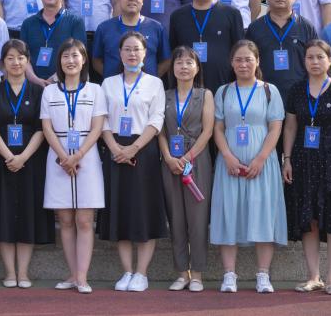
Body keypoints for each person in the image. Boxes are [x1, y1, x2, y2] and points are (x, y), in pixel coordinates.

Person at [281, 40, 331, 295]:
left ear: (330, 60)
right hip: (303, 162)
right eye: (310, 57)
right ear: (304, 61)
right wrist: (287, 159)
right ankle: (313, 276)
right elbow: (290, 127)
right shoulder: (296, 90)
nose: (315, 62)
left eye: (320, 57)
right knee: (310, 220)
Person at [210, 40, 287, 294]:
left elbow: (275, 127)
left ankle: (263, 275)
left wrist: (261, 158)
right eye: (238, 60)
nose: (243, 64)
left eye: (248, 59)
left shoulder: (269, 90)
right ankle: (229, 275)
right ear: (231, 63)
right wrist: (227, 156)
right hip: (229, 164)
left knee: (263, 214)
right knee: (229, 214)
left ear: (257, 61)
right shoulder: (223, 91)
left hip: (262, 163)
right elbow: (218, 127)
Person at [99, 32, 168, 292]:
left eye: (136, 49)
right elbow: (102, 118)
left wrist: (134, 148)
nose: (132, 54)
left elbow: (156, 119)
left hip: (144, 150)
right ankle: (127, 271)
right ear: (119, 54)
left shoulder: (154, 83)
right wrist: (115, 147)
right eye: (127, 49)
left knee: (143, 210)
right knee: (121, 211)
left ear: (145, 53)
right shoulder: (108, 84)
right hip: (114, 149)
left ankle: (142, 273)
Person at [40, 39, 107, 294]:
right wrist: (63, 157)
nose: (70, 61)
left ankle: (82, 276)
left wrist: (77, 155)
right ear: (59, 61)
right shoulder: (49, 92)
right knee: (66, 219)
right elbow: (47, 127)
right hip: (57, 157)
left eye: (75, 56)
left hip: (86, 156)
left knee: (85, 220)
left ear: (84, 59)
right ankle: (72, 273)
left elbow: (98, 127)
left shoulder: (95, 90)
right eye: (66, 56)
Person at [0, 40, 52, 288]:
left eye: (21, 58)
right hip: (0, 158)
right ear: (2, 63)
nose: (16, 63)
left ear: (28, 61)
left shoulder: (39, 91)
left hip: (31, 159)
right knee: (4, 212)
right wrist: (9, 157)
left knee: (28, 212)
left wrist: (23, 157)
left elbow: (42, 128)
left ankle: (23, 272)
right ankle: (9, 272)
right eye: (10, 58)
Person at [159, 45, 215, 292]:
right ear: (172, 68)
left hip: (197, 160)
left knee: (197, 219)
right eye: (179, 62)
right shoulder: (165, 95)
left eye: (189, 62)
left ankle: (198, 274)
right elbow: (160, 131)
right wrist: (169, 157)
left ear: (197, 68)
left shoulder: (205, 95)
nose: (184, 67)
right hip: (170, 161)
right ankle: (182, 272)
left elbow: (208, 131)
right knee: (176, 218)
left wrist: (187, 158)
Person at [169, 0, 245, 94]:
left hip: (225, 85)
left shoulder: (232, 14)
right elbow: (174, 52)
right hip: (188, 87)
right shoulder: (177, 16)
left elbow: (239, 50)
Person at [248, 0, 318, 95]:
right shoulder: (255, 28)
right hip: (263, 92)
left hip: (300, 93)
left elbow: (315, 61)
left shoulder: (306, 27)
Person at [92, 0, 168, 79]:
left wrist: (151, 80)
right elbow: (96, 60)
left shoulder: (156, 28)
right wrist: (113, 80)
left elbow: (166, 60)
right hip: (114, 87)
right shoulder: (104, 28)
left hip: (147, 86)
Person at [19, 0, 86, 84]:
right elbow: (23, 57)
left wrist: (54, 79)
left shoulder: (75, 22)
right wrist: (36, 80)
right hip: (33, 85)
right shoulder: (28, 24)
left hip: (65, 85)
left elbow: (79, 57)